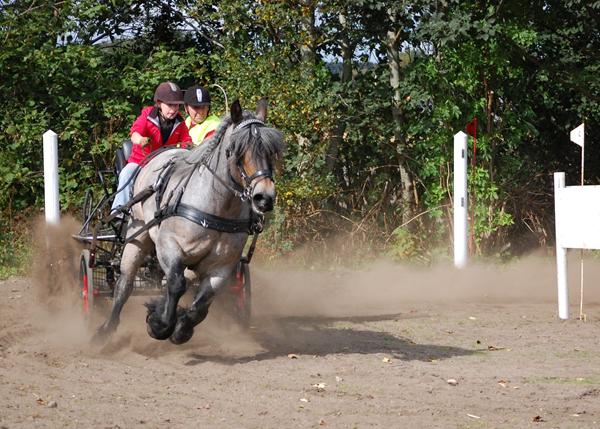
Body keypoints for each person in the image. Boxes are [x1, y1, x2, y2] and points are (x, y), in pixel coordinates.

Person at [111, 81, 192, 215]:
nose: (174, 109)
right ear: (159, 103)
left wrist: (189, 146)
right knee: (126, 173)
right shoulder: (148, 114)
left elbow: (186, 141)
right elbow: (135, 133)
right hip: (141, 162)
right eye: (170, 105)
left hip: (165, 165)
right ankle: (118, 211)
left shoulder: (180, 121)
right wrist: (140, 139)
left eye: (177, 105)